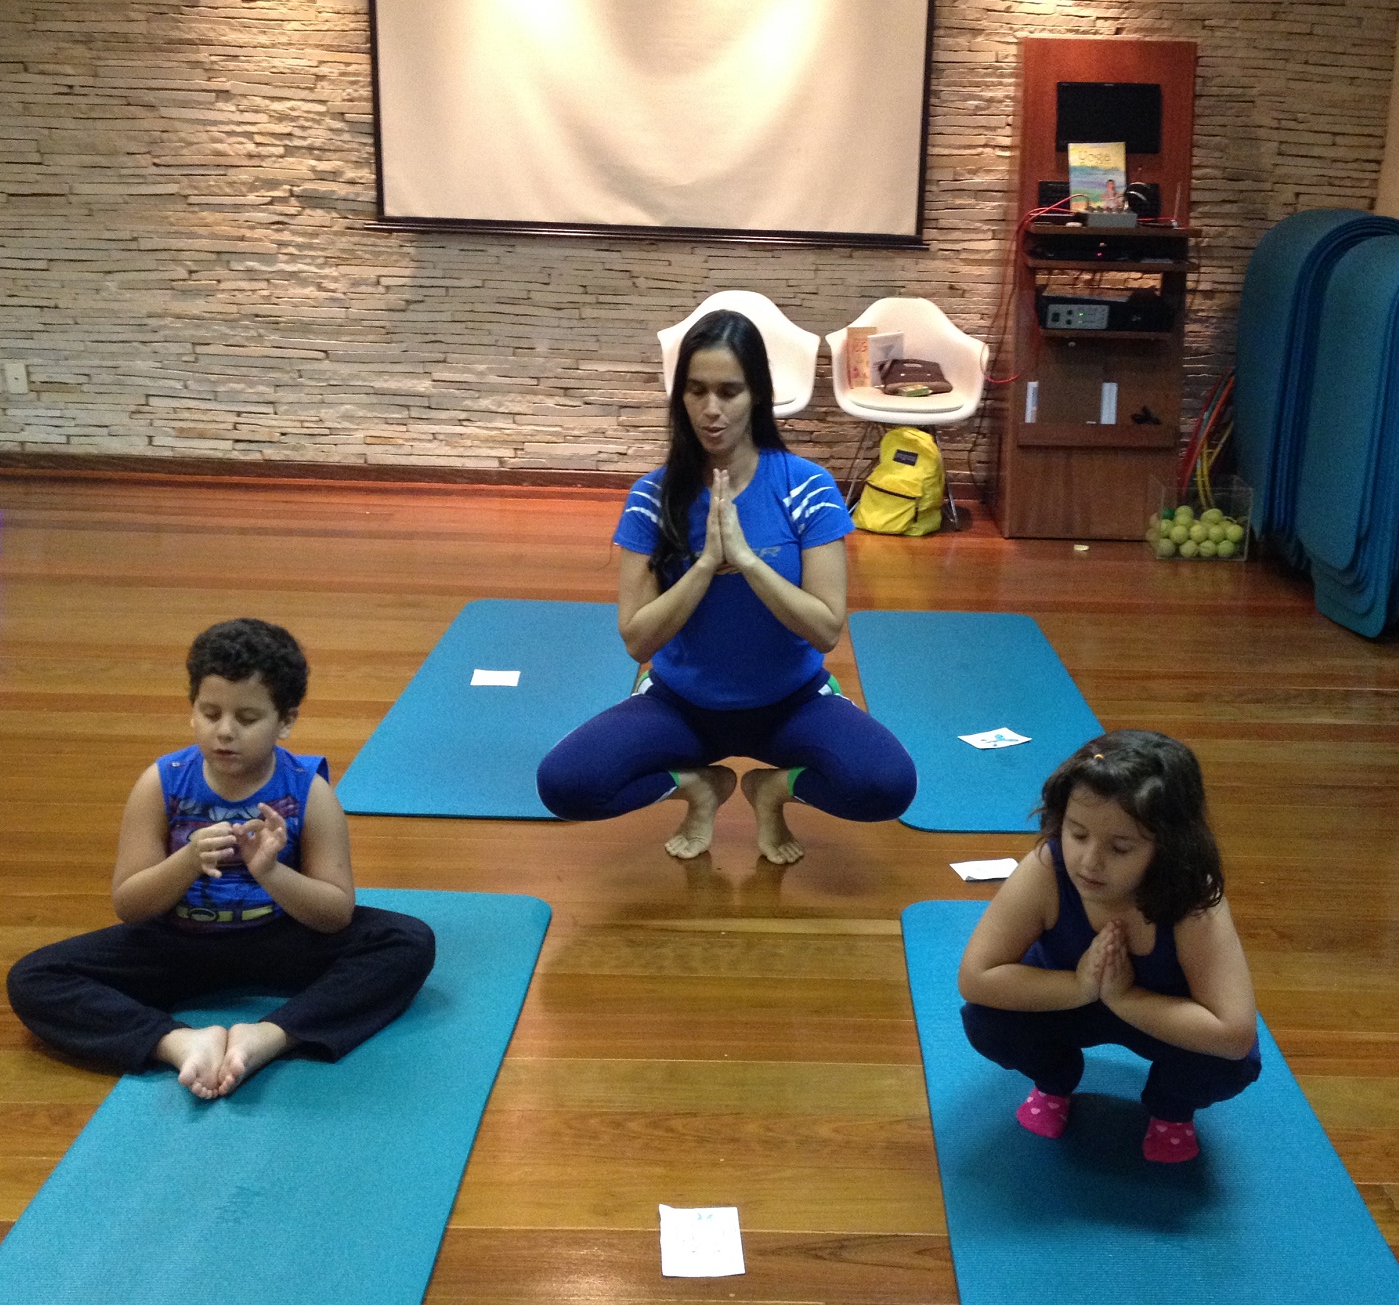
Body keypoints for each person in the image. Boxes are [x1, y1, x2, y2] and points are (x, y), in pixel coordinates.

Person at [537, 309, 916, 864]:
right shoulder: (652, 496)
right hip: (681, 706)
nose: (711, 410)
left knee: (886, 785)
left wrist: (748, 561)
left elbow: (827, 628)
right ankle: (700, 786)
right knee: (566, 785)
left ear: (757, 396)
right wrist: (705, 565)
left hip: (791, 703)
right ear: (680, 398)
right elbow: (637, 641)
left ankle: (771, 790)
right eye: (696, 391)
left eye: (729, 391)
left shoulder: (806, 487)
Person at [7, 619, 435, 1100]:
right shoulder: (161, 783)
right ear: (192, 712)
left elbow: (335, 913)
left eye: (247, 719)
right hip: (180, 942)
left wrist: (270, 872)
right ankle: (178, 1043)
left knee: (408, 942)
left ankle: (271, 1036)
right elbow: (129, 905)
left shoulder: (309, 792)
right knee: (33, 978)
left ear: (286, 720)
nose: (225, 732)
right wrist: (187, 861)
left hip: (279, 939)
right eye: (210, 713)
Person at [956, 730, 1259, 1163]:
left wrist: (1126, 997)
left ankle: (1171, 1109)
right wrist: (1081, 987)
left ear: (1170, 848)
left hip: (1161, 1018)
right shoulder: (1048, 868)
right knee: (988, 1019)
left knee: (1232, 1064)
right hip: (1064, 1001)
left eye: (1121, 848)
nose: (1090, 861)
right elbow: (976, 978)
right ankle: (1055, 1079)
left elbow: (1234, 1034)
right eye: (1078, 835)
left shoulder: (1192, 901)